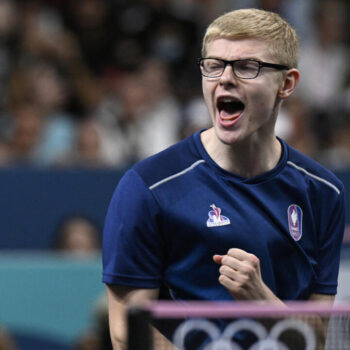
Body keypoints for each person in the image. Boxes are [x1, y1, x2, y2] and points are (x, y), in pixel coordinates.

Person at [102, 8, 345, 349]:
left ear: (287, 84)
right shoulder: (147, 188)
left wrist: (262, 300)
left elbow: (317, 339)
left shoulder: (323, 192)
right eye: (214, 65)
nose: (225, 79)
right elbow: (126, 333)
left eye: (248, 67)